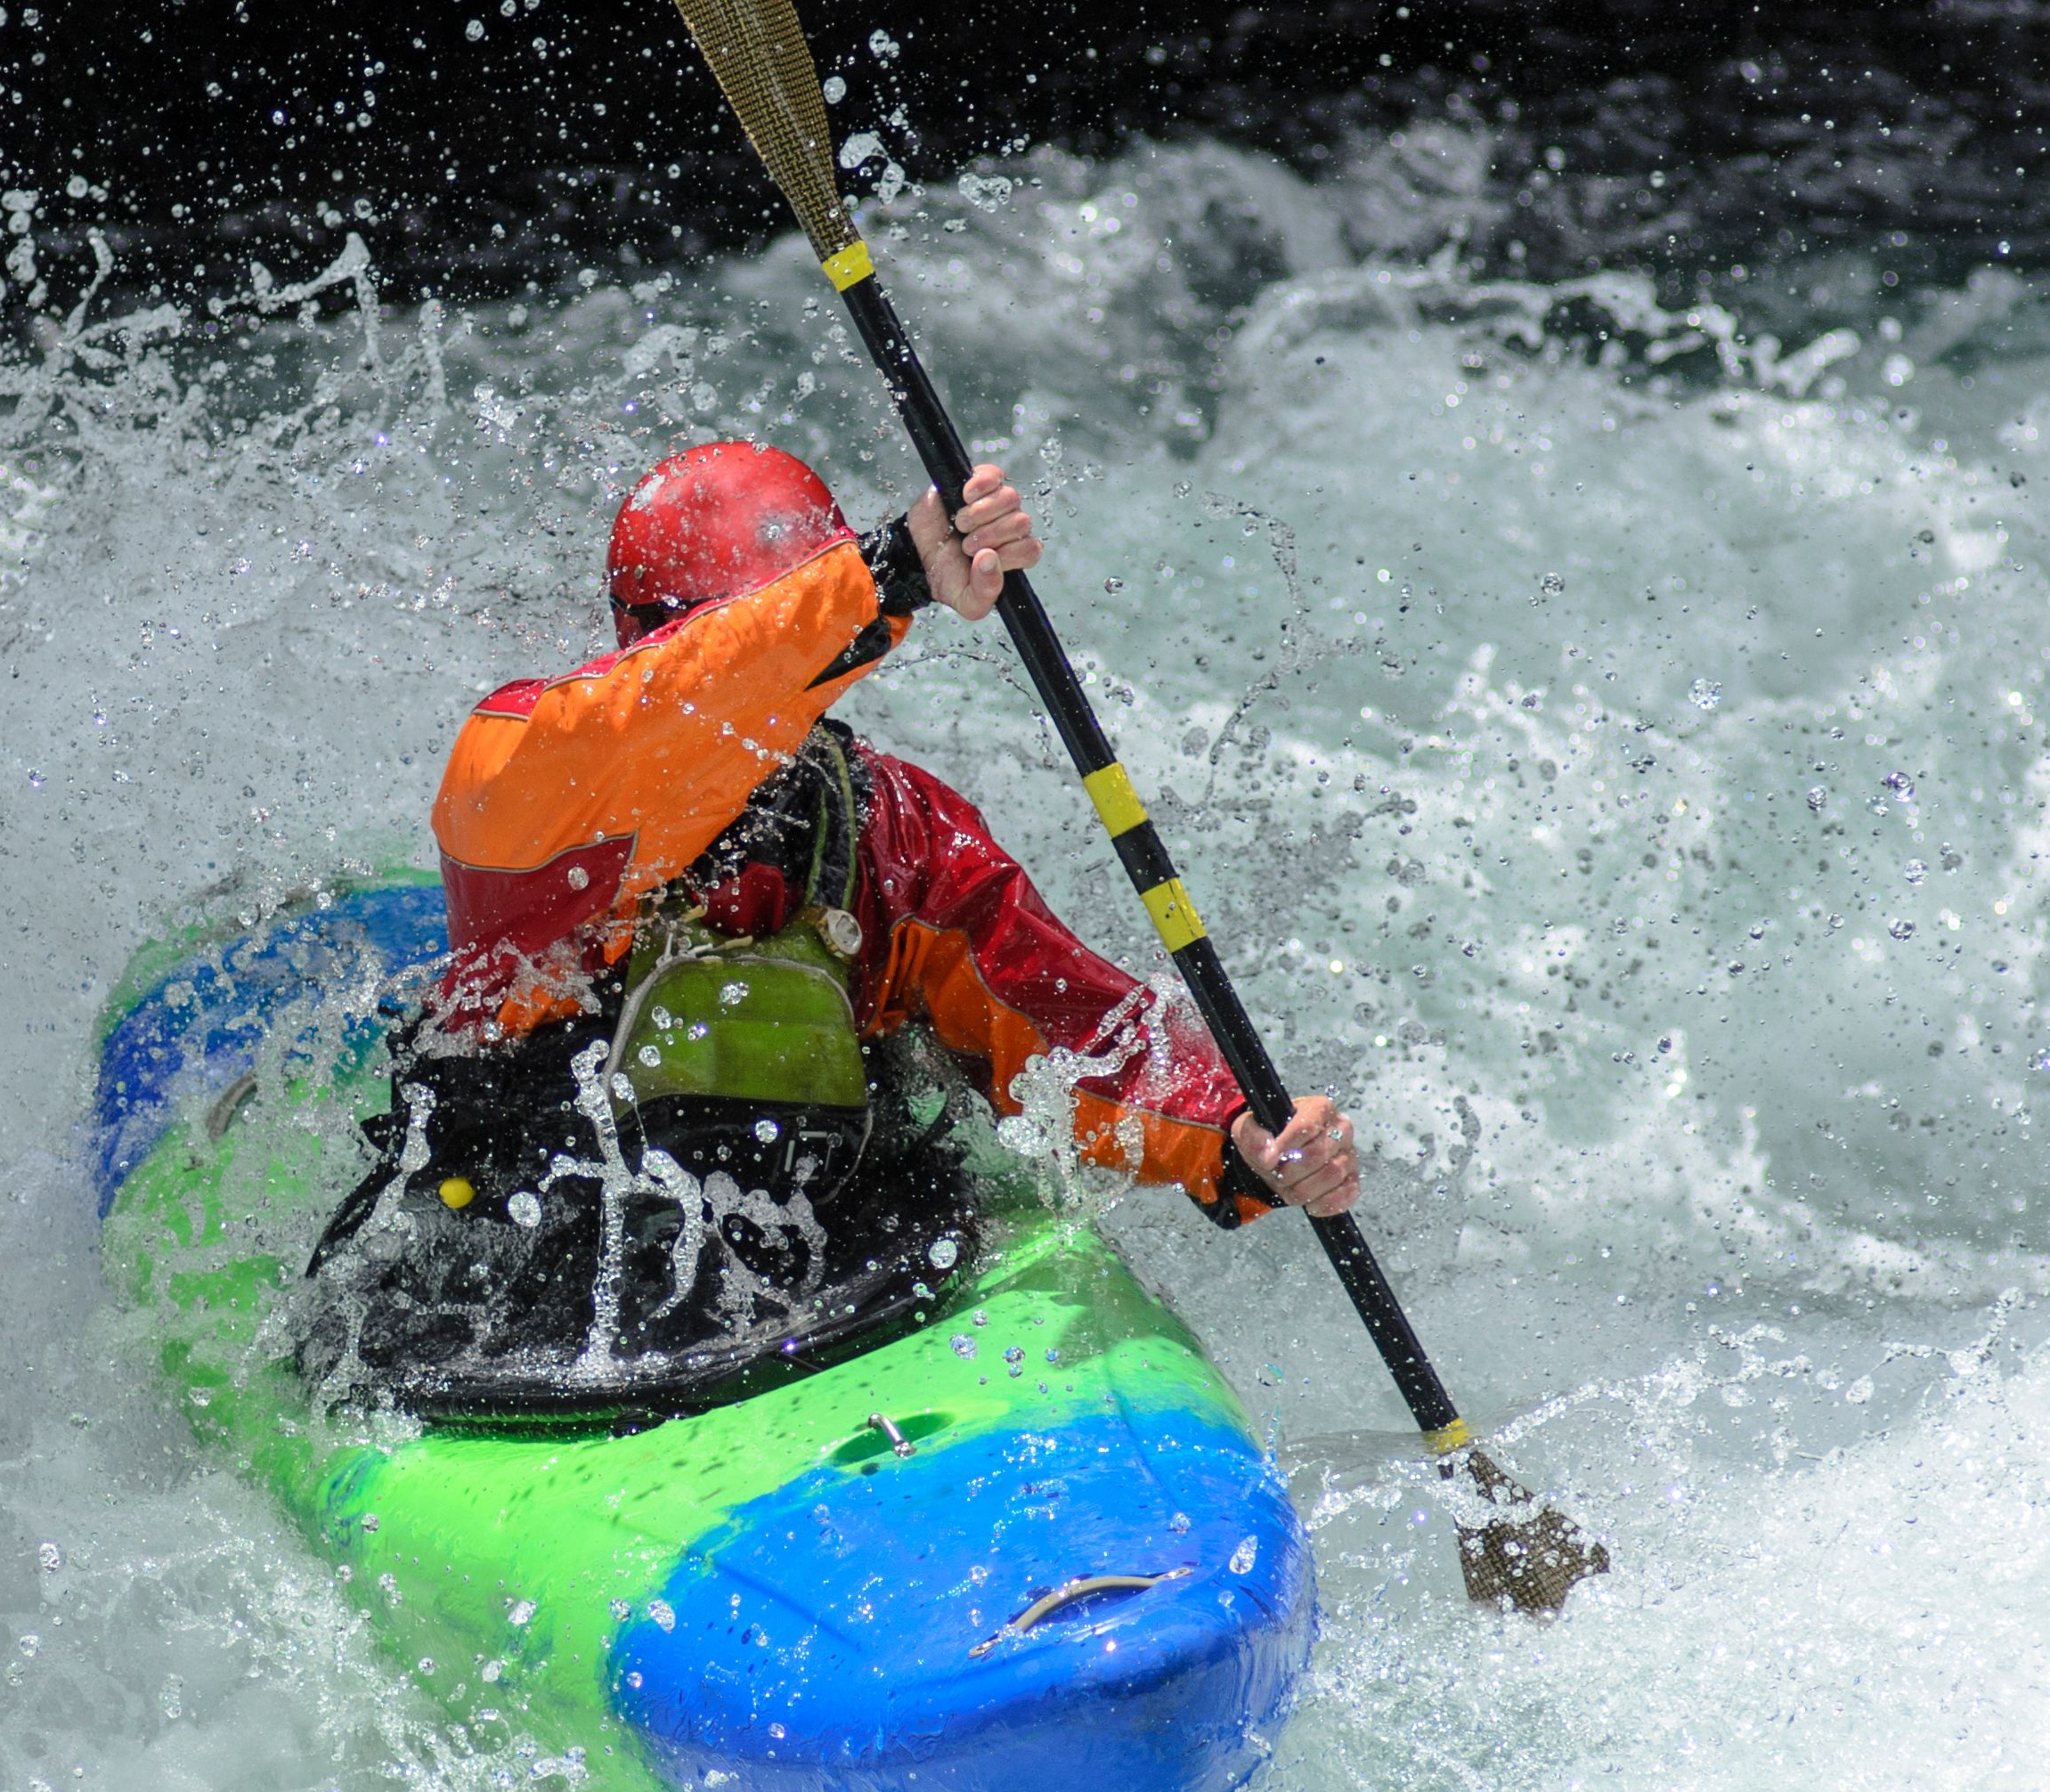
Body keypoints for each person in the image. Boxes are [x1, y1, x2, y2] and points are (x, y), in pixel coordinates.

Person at [416, 439, 1360, 1234]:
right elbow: (665, 710)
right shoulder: (524, 777)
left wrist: (1234, 1131)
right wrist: (883, 573)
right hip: (528, 1254)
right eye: (735, 636)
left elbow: (1063, 1032)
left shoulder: (893, 829)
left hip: (825, 1256)